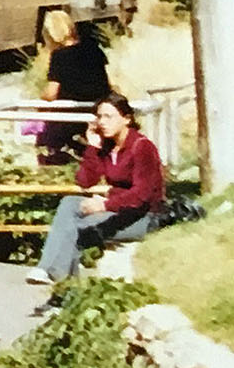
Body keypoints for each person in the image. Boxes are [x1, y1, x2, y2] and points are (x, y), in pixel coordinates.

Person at [29, 93, 166, 290]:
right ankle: (48, 272)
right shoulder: (107, 147)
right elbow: (85, 181)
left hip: (145, 216)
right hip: (119, 210)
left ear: (127, 119)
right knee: (69, 203)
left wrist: (103, 204)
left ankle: (60, 286)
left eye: (109, 117)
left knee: (78, 227)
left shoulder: (141, 147)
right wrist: (92, 147)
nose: (102, 122)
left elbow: (141, 195)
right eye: (99, 117)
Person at [36, 9, 116, 160]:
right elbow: (108, 83)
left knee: (47, 138)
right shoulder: (93, 49)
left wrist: (39, 103)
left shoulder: (59, 56)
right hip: (98, 109)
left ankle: (57, 160)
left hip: (72, 116)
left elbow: (51, 93)